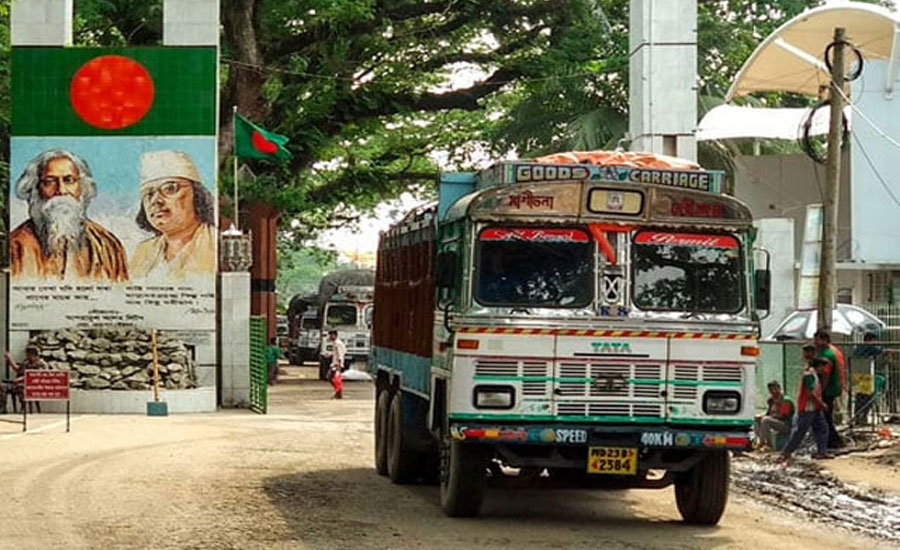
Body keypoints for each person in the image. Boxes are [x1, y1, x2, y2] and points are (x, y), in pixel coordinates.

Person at [10, 149, 129, 282]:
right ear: (35, 189)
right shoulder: (15, 246)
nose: (61, 190)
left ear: (82, 187)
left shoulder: (107, 245)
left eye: (69, 180)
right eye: (49, 182)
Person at [131, 151, 217, 280]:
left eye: (170, 189)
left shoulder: (216, 243)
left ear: (197, 195)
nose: (156, 200)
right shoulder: (143, 251)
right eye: (148, 194)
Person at [780, 346, 831, 464]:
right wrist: (821, 403)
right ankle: (786, 452)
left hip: (815, 408)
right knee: (800, 432)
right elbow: (809, 393)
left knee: (822, 428)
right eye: (824, 367)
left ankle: (822, 452)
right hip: (808, 407)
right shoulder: (809, 375)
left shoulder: (814, 375)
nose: (825, 370)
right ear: (819, 366)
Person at [813, 329, 845, 448]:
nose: (815, 343)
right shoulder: (834, 350)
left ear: (824, 340)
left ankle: (833, 441)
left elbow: (825, 374)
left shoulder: (827, 354)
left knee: (825, 418)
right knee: (827, 417)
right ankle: (833, 441)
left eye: (817, 340)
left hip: (829, 389)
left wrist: (820, 391)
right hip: (835, 386)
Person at [5, 346, 49, 414]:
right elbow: (18, 370)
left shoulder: (41, 364)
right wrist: (10, 360)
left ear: (34, 354)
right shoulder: (26, 362)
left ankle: (23, 406)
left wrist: (21, 379)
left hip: (33, 385)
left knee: (20, 387)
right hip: (20, 382)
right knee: (3, 387)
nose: (27, 356)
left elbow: (37, 375)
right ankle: (3, 407)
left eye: (28, 354)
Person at [753, 381, 794, 450]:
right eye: (771, 390)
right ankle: (760, 440)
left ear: (779, 388)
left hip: (785, 425)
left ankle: (766, 444)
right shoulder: (771, 400)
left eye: (775, 389)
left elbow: (783, 416)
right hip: (775, 422)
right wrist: (760, 416)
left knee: (766, 420)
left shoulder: (785, 400)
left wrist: (769, 417)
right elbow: (768, 413)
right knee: (757, 420)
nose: (773, 391)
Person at [326, 330, 346, 399]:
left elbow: (341, 354)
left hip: (337, 364)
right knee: (333, 378)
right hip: (334, 363)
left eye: (331, 335)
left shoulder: (338, 343)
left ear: (335, 335)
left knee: (333, 378)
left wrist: (339, 365)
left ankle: (338, 392)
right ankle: (338, 393)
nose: (330, 337)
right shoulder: (335, 343)